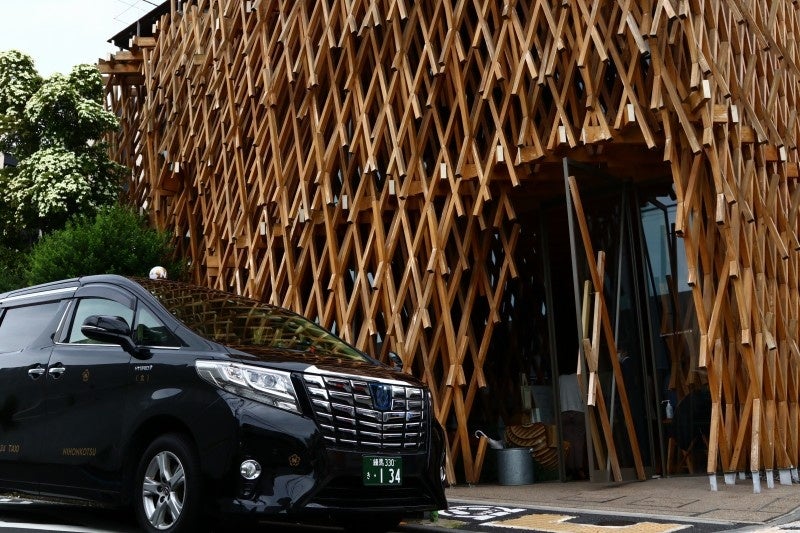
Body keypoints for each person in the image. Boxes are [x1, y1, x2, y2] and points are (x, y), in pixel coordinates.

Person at [559, 372, 587, 480]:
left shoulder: (560, 378)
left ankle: (570, 469)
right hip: (578, 410)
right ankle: (579, 468)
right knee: (579, 441)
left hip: (564, 411)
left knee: (568, 442)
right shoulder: (579, 377)